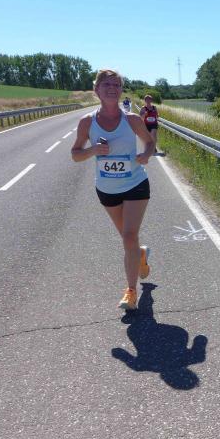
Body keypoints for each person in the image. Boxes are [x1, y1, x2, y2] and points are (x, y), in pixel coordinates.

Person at [71, 69, 157, 310]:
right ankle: (140, 255)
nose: (112, 88)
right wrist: (93, 151)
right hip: (107, 189)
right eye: (106, 84)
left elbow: (149, 143)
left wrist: (146, 155)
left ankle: (131, 292)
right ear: (96, 90)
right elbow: (75, 154)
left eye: (116, 85)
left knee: (129, 236)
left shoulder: (132, 120)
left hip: (135, 184)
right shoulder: (87, 122)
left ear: (121, 90)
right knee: (129, 240)